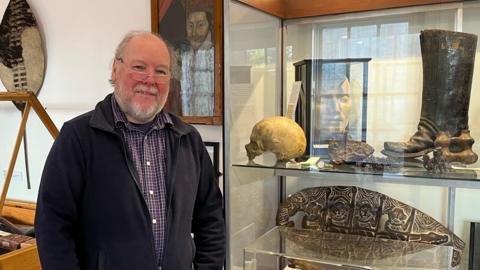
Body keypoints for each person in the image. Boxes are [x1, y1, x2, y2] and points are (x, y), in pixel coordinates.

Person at [35, 31, 225, 270]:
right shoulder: (78, 138)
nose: (149, 79)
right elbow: (52, 226)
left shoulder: (188, 140)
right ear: (115, 69)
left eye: (161, 71)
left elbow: (211, 219)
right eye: (139, 67)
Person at [179, 9, 214, 116]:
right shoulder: (182, 54)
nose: (194, 32)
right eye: (190, 25)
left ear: (210, 25)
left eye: (200, 25)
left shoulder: (215, 54)